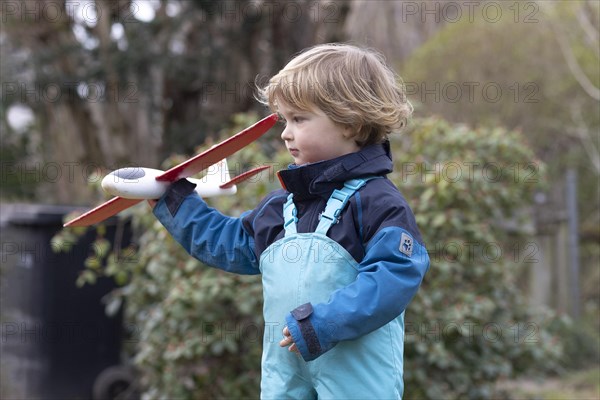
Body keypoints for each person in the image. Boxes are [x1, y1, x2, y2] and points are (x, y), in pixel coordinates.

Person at [151, 43, 429, 399]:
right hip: (285, 369)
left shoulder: (378, 203)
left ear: (351, 123)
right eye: (285, 119)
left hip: (355, 372)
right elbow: (226, 244)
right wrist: (175, 200)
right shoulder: (281, 207)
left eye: (299, 119)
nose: (285, 132)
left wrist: (326, 323)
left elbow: (395, 274)